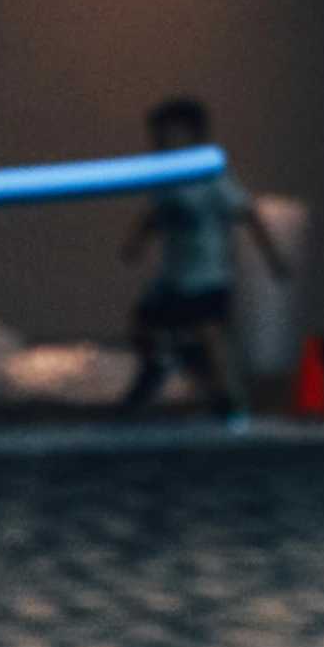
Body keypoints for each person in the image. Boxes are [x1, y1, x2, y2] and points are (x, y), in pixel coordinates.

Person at [118, 97, 287, 432]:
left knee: (211, 337)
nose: (162, 142)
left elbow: (247, 214)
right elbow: (155, 214)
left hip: (207, 276)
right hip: (172, 277)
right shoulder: (164, 178)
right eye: (158, 135)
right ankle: (161, 366)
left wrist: (274, 258)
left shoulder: (209, 176)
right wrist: (136, 242)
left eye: (170, 134)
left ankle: (229, 406)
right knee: (143, 328)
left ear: (192, 135)